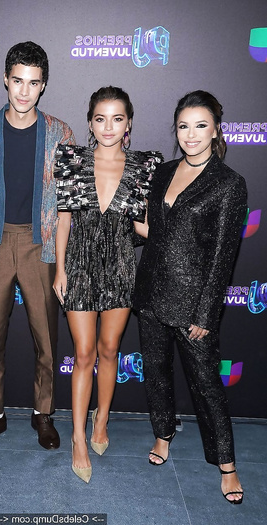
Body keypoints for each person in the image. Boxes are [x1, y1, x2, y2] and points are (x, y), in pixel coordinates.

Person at [133, 90, 246, 504]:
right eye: (184, 126)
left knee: (206, 384)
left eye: (201, 125)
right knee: (156, 373)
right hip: (150, 293)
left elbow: (222, 257)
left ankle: (227, 464)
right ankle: (163, 434)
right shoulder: (163, 172)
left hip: (192, 302)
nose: (191, 134)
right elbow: (153, 231)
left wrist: (206, 314)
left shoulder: (229, 184)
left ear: (216, 130)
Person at [0, 41, 75, 452]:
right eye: (17, 81)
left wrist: (61, 261)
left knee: (46, 339)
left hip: (39, 241)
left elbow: (67, 202)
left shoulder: (61, 133)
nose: (24, 91)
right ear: (5, 80)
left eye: (33, 82)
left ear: (43, 84)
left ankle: (42, 413)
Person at [53, 86, 162, 483]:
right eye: (101, 119)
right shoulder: (72, 160)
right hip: (79, 266)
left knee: (110, 349)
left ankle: (102, 421)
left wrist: (178, 234)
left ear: (128, 123)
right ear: (90, 122)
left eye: (117, 119)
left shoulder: (144, 166)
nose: (109, 127)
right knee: (83, 353)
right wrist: (60, 270)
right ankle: (78, 438)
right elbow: (63, 221)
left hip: (119, 267)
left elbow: (142, 226)